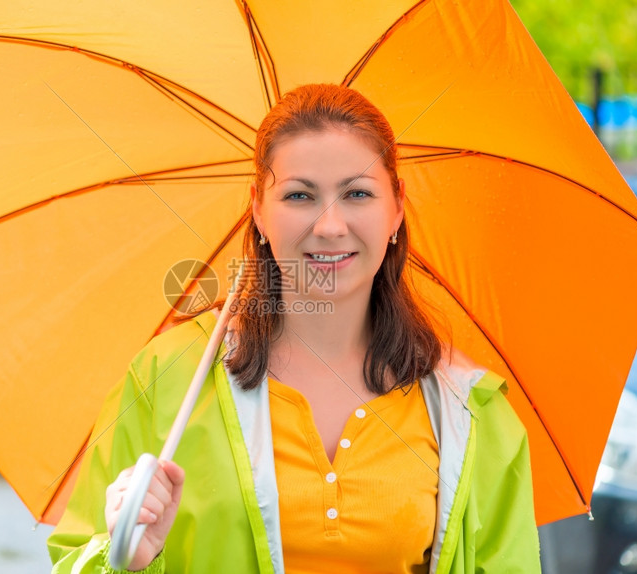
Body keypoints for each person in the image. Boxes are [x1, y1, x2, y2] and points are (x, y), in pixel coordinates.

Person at [47, 84, 541, 573]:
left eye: (358, 193)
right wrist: (127, 561)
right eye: (300, 195)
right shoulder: (167, 376)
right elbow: (75, 559)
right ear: (259, 208)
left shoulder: (469, 409)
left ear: (396, 207)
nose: (329, 225)